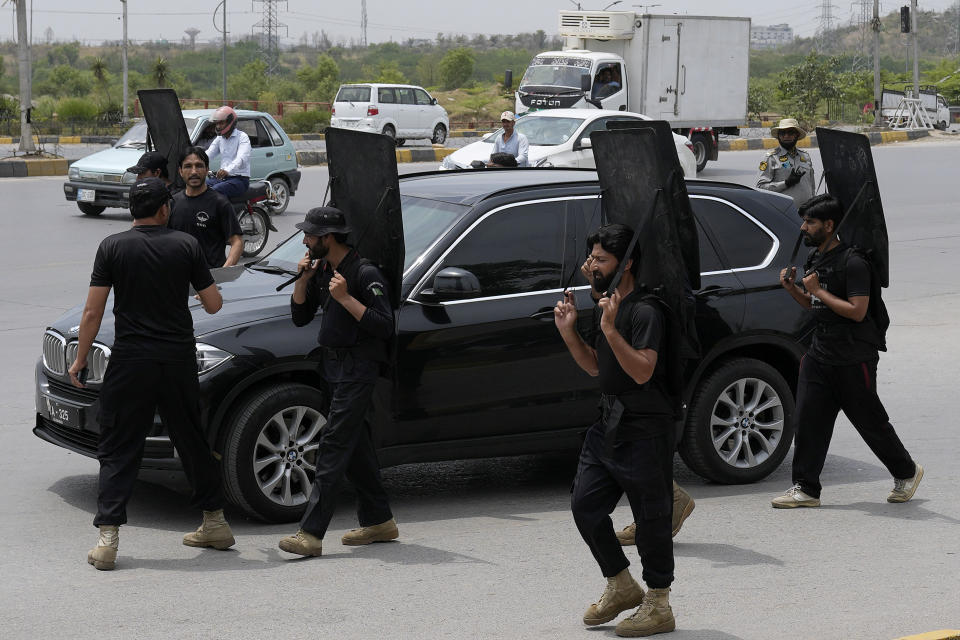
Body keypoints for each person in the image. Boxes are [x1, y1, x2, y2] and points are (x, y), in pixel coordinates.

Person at [68, 178, 235, 571]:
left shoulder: (112, 246)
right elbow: (213, 305)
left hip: (131, 361)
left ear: (133, 210)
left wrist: (81, 358)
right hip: (176, 358)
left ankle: (108, 538)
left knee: (119, 444)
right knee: (191, 438)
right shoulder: (186, 245)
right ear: (164, 210)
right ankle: (215, 522)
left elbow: (93, 313)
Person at [555, 224, 677, 637]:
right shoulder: (607, 305)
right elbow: (596, 366)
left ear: (625, 265)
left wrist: (610, 330)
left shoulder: (645, 311)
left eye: (600, 259)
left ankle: (659, 603)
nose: (591, 266)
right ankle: (621, 584)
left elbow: (642, 371)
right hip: (608, 424)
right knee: (584, 505)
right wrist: (570, 330)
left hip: (645, 428)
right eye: (591, 258)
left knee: (651, 519)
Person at [773, 194, 922, 508]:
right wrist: (796, 291)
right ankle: (806, 488)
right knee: (808, 419)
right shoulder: (817, 260)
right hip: (820, 353)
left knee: (870, 421)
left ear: (829, 225)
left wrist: (817, 290)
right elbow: (816, 305)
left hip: (854, 356)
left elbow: (856, 310)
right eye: (804, 221)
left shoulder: (854, 262)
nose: (803, 228)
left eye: (810, 222)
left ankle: (907, 472)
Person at [278, 207, 398, 558]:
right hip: (332, 367)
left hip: (358, 368)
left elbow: (383, 324)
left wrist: (346, 298)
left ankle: (311, 534)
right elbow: (300, 317)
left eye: (310, 236)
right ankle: (379, 521)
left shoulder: (364, 273)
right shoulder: (324, 271)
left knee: (332, 447)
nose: (304, 240)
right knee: (354, 443)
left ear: (327, 239)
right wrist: (302, 279)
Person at [169, 146, 243, 268]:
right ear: (180, 171)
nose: (194, 171)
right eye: (188, 166)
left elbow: (237, 242)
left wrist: (223, 273)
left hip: (211, 280)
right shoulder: (172, 202)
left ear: (207, 169)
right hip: (180, 279)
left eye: (199, 166)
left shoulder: (220, 203)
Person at [756, 118, 816, 205]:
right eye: (782, 133)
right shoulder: (771, 157)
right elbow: (760, 188)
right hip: (784, 213)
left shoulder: (805, 156)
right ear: (778, 136)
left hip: (806, 213)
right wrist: (786, 183)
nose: (786, 136)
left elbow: (811, 185)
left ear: (797, 135)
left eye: (790, 132)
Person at [205, 105, 251, 199]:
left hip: (239, 180)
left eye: (221, 123)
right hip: (223, 179)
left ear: (230, 121)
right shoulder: (219, 138)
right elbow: (208, 154)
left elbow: (241, 158)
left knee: (215, 190)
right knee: (199, 187)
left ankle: (224, 213)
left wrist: (227, 170)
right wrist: (197, 162)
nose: (218, 126)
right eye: (217, 123)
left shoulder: (242, 137)